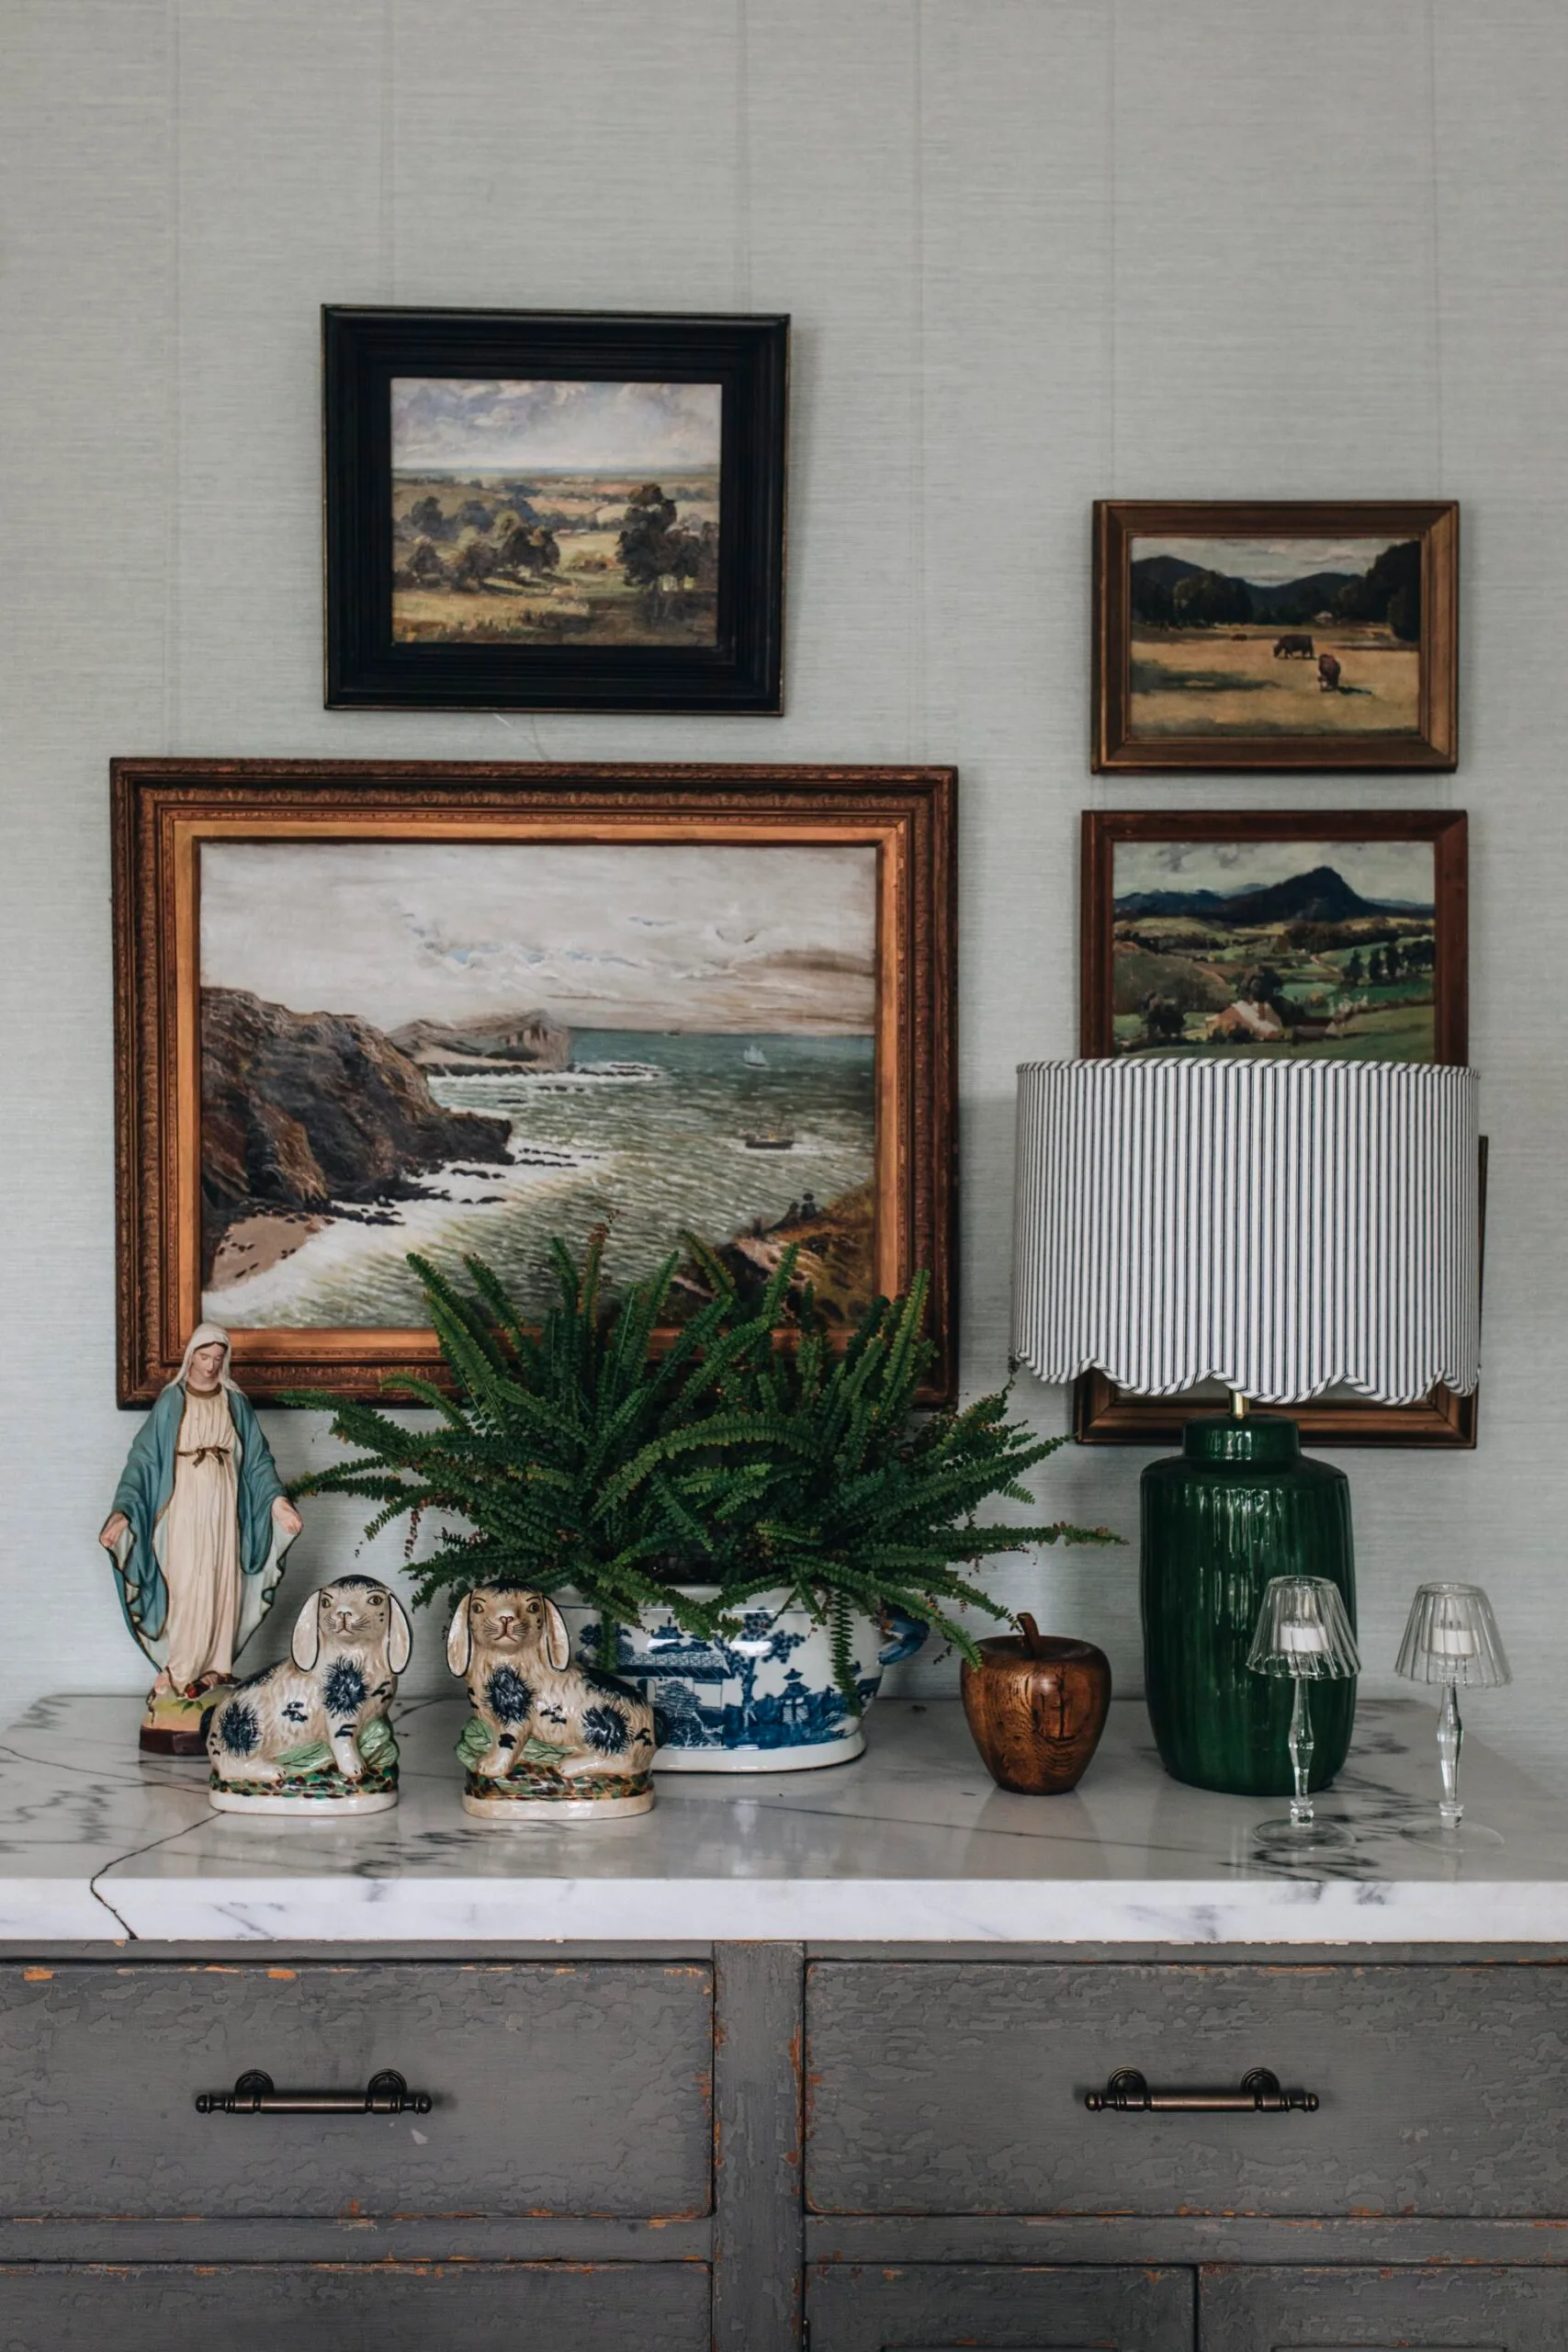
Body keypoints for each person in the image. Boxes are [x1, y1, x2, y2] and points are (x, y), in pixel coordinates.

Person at [99, 1323, 301, 1705]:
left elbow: (257, 1462)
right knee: (188, 1583)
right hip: (185, 1506)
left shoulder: (234, 1402)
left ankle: (216, 1666)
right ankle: (179, 1669)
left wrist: (278, 1501)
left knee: (221, 1581)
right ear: (191, 1356)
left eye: (218, 1359)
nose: (210, 1366)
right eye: (204, 1357)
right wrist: (124, 1511)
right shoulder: (172, 1401)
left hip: (225, 1507)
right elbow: (143, 1460)